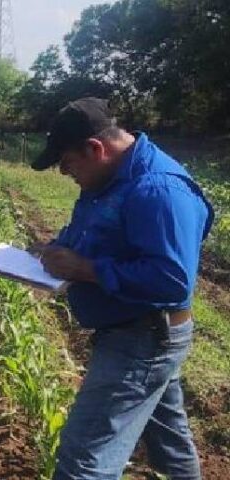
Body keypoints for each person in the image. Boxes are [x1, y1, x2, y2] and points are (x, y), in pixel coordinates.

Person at [33, 98, 214, 480]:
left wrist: (86, 269)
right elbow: (93, 231)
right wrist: (59, 249)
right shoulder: (108, 179)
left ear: (95, 149)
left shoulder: (158, 189)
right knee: (170, 446)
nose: (64, 173)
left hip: (143, 338)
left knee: (83, 459)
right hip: (137, 331)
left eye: (67, 163)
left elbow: (171, 279)